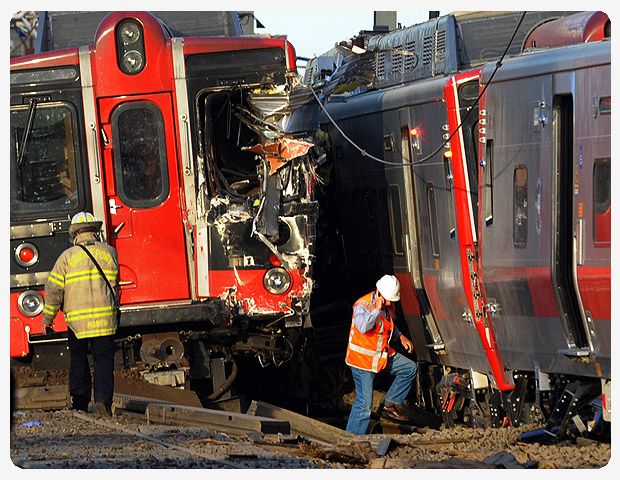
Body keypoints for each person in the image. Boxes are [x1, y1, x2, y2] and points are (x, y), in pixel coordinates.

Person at [42, 212, 119, 417]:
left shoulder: (66, 257)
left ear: (75, 233)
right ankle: (103, 401)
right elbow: (114, 286)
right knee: (104, 361)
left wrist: (48, 319)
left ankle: (80, 403)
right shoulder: (111, 252)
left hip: (77, 323)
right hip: (105, 320)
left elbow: (53, 289)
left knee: (79, 360)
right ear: (96, 231)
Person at [345, 274, 417, 434]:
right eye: (388, 299)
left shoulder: (387, 305)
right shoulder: (362, 305)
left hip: (380, 356)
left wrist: (401, 336)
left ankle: (390, 404)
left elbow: (388, 324)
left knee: (409, 369)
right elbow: (363, 326)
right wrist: (376, 309)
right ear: (378, 292)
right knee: (364, 405)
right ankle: (352, 438)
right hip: (362, 361)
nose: (391, 303)